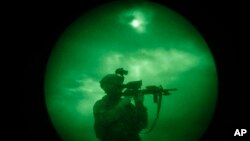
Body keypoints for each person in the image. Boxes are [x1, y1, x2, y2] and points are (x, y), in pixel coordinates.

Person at [93, 72, 148, 141]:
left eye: (120, 86)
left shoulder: (128, 105)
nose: (120, 89)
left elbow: (142, 124)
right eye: (117, 86)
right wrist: (121, 105)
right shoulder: (100, 104)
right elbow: (103, 120)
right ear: (107, 88)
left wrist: (139, 104)